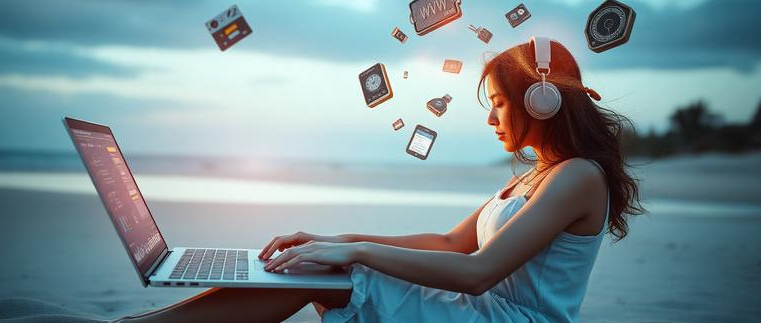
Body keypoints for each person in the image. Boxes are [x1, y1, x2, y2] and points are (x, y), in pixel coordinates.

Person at [117, 38, 644, 323]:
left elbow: (477, 272)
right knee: (326, 267)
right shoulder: (539, 176)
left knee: (344, 276)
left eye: (500, 104)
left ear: (542, 100)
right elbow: (448, 244)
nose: (491, 119)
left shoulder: (578, 177)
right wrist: (337, 240)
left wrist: (357, 255)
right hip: (479, 310)